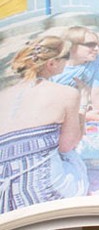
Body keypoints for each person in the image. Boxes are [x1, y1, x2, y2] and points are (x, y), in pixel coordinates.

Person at [0, 36, 88, 212]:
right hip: (45, 197)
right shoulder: (67, 93)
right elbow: (67, 145)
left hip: (4, 202)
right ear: (52, 63)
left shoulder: (3, 95)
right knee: (74, 158)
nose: (68, 62)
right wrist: (83, 102)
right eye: (66, 57)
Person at [51, 26, 99, 121]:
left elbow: (98, 93)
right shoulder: (55, 66)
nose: (96, 48)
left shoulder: (94, 61)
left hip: (79, 109)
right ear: (71, 46)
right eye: (91, 45)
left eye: (98, 45)